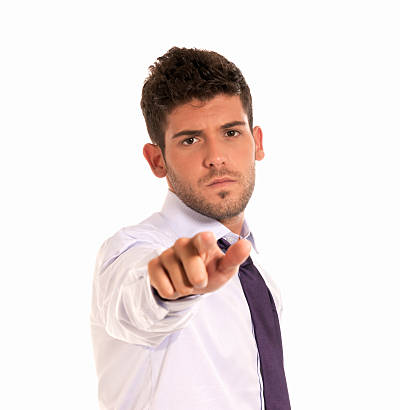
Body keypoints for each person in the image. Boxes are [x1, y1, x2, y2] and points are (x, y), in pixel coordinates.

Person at [90, 47, 291, 410]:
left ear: (256, 142)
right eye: (190, 139)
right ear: (157, 161)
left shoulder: (252, 267)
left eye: (231, 132)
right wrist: (168, 289)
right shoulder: (131, 251)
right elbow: (133, 306)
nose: (216, 156)